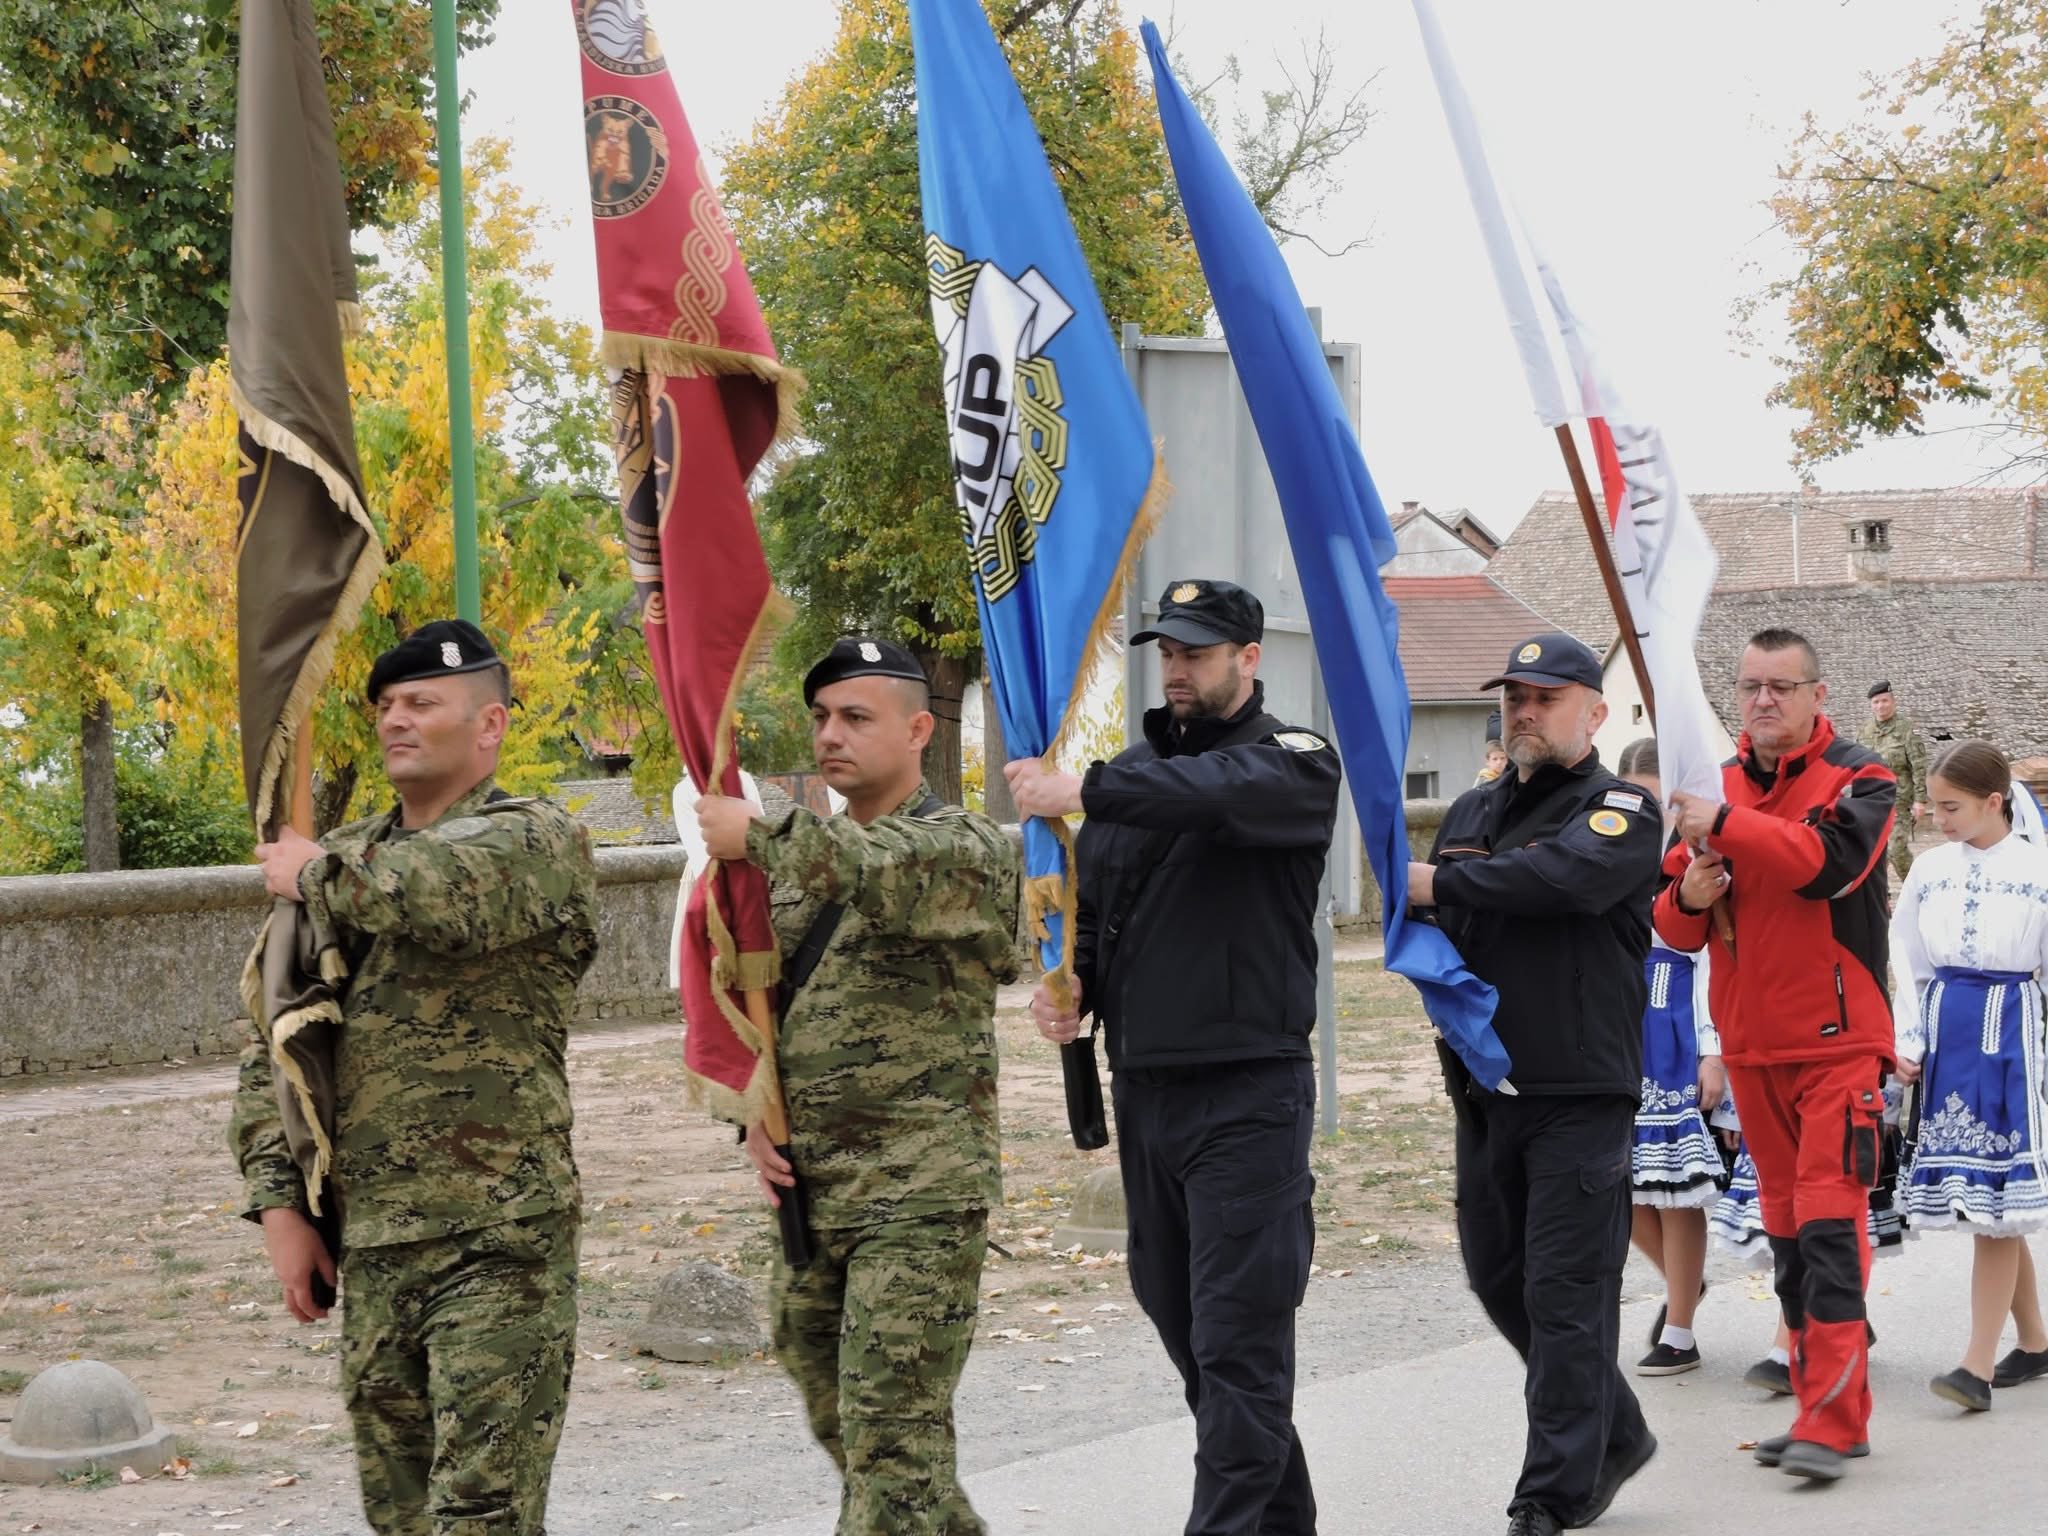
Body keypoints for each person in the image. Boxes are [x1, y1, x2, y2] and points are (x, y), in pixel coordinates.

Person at [231, 620, 599, 1536]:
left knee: (483, 1514)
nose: (395, 719)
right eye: (386, 705)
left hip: (498, 1240)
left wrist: (314, 873)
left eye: (422, 702)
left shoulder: (536, 839)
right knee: (399, 1516)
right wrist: (281, 1207)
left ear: (490, 725)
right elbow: (277, 1042)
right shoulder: (338, 859)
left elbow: (443, 894)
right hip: (376, 1243)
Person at [1005, 579, 1339, 1536]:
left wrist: (1085, 789)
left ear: (1249, 658)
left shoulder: (1292, 760)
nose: (1178, 669)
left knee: (1238, 1340)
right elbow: (1102, 910)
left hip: (1249, 1094)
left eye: (1197, 652)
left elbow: (1221, 794)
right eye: (1168, 652)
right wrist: (1071, 985)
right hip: (1146, 1091)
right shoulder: (1133, 771)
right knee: (1184, 1321)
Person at [695, 636, 1020, 1535]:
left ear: (918, 731)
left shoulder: (961, 848)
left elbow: (876, 871)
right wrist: (754, 1116)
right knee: (855, 1429)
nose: (829, 735)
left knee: (892, 1443)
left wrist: (759, 833)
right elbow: (762, 1006)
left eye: (855, 717)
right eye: (820, 718)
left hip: (918, 1193)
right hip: (815, 1194)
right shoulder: (795, 870)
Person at [1408, 632, 1663, 1536]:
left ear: (1594, 713)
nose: (1525, 711)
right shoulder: (1472, 809)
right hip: (1485, 1091)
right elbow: (1446, 915)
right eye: (1514, 696)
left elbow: (1562, 880)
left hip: (1578, 1094)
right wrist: (1434, 899)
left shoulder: (1621, 808)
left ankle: (1550, 1495)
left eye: (1546, 697)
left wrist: (1443, 883)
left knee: (1566, 1295)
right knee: (1498, 1277)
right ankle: (1615, 1431)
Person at [1655, 627, 1897, 1484]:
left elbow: (1826, 866)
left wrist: (1726, 824)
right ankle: (1818, 1409)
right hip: (1753, 1049)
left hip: (1839, 1045)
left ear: (1817, 695)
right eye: (1750, 686)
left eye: (1781, 687)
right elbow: (1672, 923)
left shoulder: (1862, 777)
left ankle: (1833, 1422)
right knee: (1790, 1240)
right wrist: (1691, 892)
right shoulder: (1711, 787)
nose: (1762, 700)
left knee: (1830, 1228)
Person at [1888, 739, 2048, 1411]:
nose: (1936, 817)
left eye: (1951, 806)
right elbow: (1905, 955)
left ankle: (1976, 1365)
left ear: (1994, 801)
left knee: (1995, 1207)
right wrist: (1907, 1036)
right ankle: (2035, 1342)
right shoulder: (1929, 871)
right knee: (1986, 1201)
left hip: (2009, 1031)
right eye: (1933, 804)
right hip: (1946, 1030)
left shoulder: (2039, 870)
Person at [1613, 738, 1725, 1377]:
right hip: (1619, 1028)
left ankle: (1679, 1328)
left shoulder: (1699, 859)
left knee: (1676, 1189)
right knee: (1620, 1183)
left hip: (1678, 1027)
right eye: (1639, 799)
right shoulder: (1605, 852)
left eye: (1661, 801)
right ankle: (1686, 1282)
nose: (1651, 814)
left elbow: (1712, 958)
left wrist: (1713, 1049)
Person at [1857, 680, 1929, 883]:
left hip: (1899, 800)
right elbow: (1857, 766)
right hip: (1872, 801)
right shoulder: (1865, 731)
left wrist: (1920, 800)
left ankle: (1916, 887)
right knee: (1875, 852)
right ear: (1871, 705)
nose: (1880, 706)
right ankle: (1880, 893)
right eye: (1876, 702)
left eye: (1885, 701)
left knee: (1896, 849)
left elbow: (1919, 766)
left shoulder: (1906, 729)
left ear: (1893, 702)